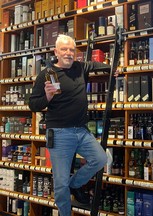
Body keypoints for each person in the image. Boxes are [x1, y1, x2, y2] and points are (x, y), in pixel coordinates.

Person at [29, 34, 111, 216]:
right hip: (59, 133)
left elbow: (96, 65)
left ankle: (74, 185)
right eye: (64, 49)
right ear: (56, 52)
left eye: (72, 50)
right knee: (60, 183)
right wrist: (48, 97)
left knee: (101, 159)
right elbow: (33, 104)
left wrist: (112, 69)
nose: (68, 53)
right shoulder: (48, 74)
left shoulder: (79, 68)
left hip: (81, 130)